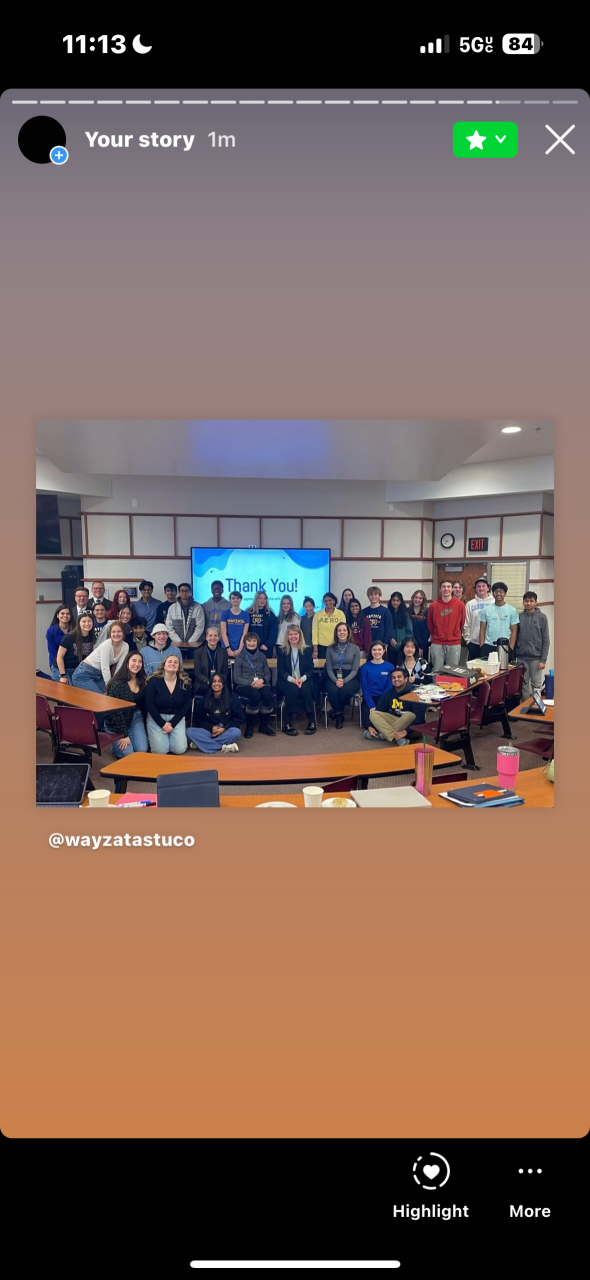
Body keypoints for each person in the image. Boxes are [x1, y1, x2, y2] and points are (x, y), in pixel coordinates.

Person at [145, 654, 192, 754]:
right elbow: (149, 704)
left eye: (176, 662)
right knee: (160, 751)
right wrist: (162, 724)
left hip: (177, 717)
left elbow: (187, 704)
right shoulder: (153, 681)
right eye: (170, 661)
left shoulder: (185, 683)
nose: (173, 664)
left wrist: (172, 723)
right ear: (164, 666)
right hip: (156, 717)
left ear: (178, 667)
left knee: (179, 750)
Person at [104, 652, 149, 759]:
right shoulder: (117, 684)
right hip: (117, 721)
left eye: (140, 662)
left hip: (136, 717)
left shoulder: (142, 681)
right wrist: (124, 735)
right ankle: (115, 746)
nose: (137, 664)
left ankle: (129, 736)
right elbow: (115, 713)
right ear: (127, 663)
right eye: (134, 661)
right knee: (128, 754)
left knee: (142, 750)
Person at [186, 673, 243, 754]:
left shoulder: (233, 699)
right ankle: (223, 746)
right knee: (189, 731)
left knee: (236, 732)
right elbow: (198, 720)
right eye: (214, 681)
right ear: (210, 684)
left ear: (223, 684)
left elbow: (238, 719)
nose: (216, 683)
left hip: (225, 731)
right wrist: (211, 727)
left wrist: (224, 728)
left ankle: (203, 743)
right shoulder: (204, 700)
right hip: (209, 732)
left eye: (219, 681)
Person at [232, 631, 276, 737]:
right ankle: (250, 726)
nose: (251, 643)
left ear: (257, 642)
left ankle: (263, 725)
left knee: (268, 695)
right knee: (255, 695)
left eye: (254, 641)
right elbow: (236, 678)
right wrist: (251, 683)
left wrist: (263, 680)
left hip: (261, 683)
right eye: (249, 641)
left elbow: (268, 674)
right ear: (245, 642)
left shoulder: (262, 656)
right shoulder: (240, 657)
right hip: (244, 685)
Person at [277, 626, 316, 736]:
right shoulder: (282, 650)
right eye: (290, 634)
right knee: (293, 690)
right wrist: (293, 680)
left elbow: (310, 669)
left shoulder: (307, 650)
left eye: (296, 634)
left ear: (300, 635)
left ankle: (312, 722)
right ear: (287, 636)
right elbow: (281, 670)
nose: (293, 637)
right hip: (287, 680)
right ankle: (287, 723)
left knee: (305, 690)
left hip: (304, 679)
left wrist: (301, 679)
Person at [71, 620, 128, 695]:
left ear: (123, 632)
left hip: (98, 675)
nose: (116, 634)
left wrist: (115, 684)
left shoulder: (125, 646)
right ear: (110, 633)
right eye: (113, 632)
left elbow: (119, 667)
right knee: (102, 697)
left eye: (119, 631)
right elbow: (105, 668)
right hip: (83, 674)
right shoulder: (107, 644)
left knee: (110, 695)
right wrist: (110, 687)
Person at [367, 668, 417, 746]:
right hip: (394, 720)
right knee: (373, 714)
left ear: (406, 679)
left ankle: (383, 735)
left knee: (410, 715)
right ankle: (395, 737)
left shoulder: (415, 693)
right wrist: (370, 726)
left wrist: (406, 731)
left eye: (399, 677)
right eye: (393, 677)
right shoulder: (388, 694)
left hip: (410, 723)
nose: (396, 679)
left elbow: (420, 717)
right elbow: (379, 710)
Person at [325, 623, 361, 728]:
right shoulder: (330, 648)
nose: (342, 632)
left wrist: (344, 681)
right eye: (339, 630)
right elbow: (329, 669)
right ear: (336, 633)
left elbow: (355, 669)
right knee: (333, 691)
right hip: (333, 676)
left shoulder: (355, 648)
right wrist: (336, 680)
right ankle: (339, 715)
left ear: (348, 632)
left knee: (345, 691)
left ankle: (336, 711)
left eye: (344, 630)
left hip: (350, 676)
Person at [515, 592, 550, 700]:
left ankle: (536, 705)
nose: (528, 603)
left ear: (536, 602)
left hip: (536, 658)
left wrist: (543, 660)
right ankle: (524, 705)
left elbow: (546, 640)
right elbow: (515, 636)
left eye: (531, 601)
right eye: (526, 601)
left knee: (536, 684)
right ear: (523, 602)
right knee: (522, 684)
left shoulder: (542, 617)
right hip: (521, 657)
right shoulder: (519, 616)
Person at [427, 580, 466, 672]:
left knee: (453, 670)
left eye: (448, 586)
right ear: (440, 589)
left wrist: (455, 633)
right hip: (437, 643)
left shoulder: (460, 605)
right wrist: (437, 634)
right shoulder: (433, 605)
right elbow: (430, 624)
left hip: (454, 643)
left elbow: (462, 622)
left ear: (452, 589)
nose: (446, 589)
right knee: (437, 670)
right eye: (443, 586)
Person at [359, 639, 394, 734]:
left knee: (386, 718)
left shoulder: (390, 667)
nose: (377, 652)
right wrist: (371, 705)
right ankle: (370, 729)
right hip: (369, 698)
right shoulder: (365, 667)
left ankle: (381, 732)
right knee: (367, 719)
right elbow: (364, 687)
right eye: (374, 650)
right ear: (370, 651)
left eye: (379, 649)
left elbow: (390, 686)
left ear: (384, 651)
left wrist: (380, 704)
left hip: (384, 699)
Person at [398, 635, 433, 726]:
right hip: (404, 693)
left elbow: (430, 681)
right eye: (407, 647)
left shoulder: (422, 662)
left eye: (412, 647)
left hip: (421, 694)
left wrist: (415, 681)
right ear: (403, 648)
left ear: (416, 649)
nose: (410, 649)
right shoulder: (399, 664)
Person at [478, 582, 519, 658]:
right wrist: (482, 646)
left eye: (501, 591)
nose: (498, 594)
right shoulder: (486, 610)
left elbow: (514, 631)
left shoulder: (512, 610)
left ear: (505, 594)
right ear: (493, 594)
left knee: (504, 666)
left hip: (505, 645)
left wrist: (511, 648)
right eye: (496, 591)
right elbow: (482, 629)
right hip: (488, 645)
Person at [55, 612, 95, 684]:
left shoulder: (93, 637)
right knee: (68, 689)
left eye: (89, 621)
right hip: (63, 668)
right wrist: (63, 675)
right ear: (79, 624)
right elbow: (59, 657)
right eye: (84, 621)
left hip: (78, 669)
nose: (87, 624)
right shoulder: (69, 637)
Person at [462, 577, 494, 661]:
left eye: (483, 586)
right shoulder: (470, 604)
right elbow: (466, 623)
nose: (481, 588)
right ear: (475, 589)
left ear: (488, 588)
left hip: (490, 642)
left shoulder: (494, 603)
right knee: (475, 667)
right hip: (474, 642)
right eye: (478, 586)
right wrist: (468, 641)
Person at [166, 583, 206, 648]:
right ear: (179, 592)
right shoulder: (172, 608)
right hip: (177, 644)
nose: (184, 593)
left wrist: (190, 642)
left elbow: (200, 627)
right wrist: (179, 642)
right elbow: (169, 627)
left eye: (186, 590)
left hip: (194, 644)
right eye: (182, 591)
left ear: (190, 592)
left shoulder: (197, 607)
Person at [192, 626, 229, 695]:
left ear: (218, 638)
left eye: (215, 635)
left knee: (225, 690)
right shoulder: (198, 652)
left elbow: (225, 672)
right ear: (206, 637)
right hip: (203, 683)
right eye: (210, 635)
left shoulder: (223, 652)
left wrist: (218, 682)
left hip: (219, 683)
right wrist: (209, 682)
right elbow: (197, 673)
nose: (213, 638)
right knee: (209, 689)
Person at [311, 592, 346, 660]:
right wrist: (315, 650)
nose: (328, 602)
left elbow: (343, 631)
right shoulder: (318, 614)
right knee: (322, 665)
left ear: (334, 601)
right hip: (321, 646)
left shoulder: (340, 614)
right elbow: (315, 631)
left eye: (330, 600)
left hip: (336, 645)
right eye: (326, 601)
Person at [361, 586, 394, 651]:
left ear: (379, 595)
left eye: (375, 594)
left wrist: (385, 644)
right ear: (368, 596)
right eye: (371, 594)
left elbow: (389, 630)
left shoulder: (386, 612)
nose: (373, 596)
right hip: (367, 646)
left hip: (381, 645)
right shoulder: (363, 612)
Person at [247, 589, 278, 659]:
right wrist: (248, 644)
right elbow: (245, 631)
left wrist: (267, 644)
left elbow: (273, 632)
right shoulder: (248, 612)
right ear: (256, 599)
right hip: (250, 647)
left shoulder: (270, 614)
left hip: (265, 648)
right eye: (260, 598)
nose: (262, 600)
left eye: (264, 598)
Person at [46, 605, 73, 680]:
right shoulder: (51, 631)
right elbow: (52, 651)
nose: (65, 615)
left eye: (68, 614)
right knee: (66, 685)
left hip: (72, 664)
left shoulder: (75, 629)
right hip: (56, 664)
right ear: (57, 615)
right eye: (62, 613)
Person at [386, 591, 414, 665]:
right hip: (390, 648)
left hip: (403, 648)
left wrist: (401, 644)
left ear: (401, 602)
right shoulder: (387, 613)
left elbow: (409, 633)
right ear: (390, 601)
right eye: (393, 600)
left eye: (398, 600)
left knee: (402, 668)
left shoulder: (405, 615)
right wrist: (390, 639)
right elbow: (385, 630)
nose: (395, 602)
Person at [220, 591, 250, 657]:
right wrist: (228, 649)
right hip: (226, 647)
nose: (235, 600)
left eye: (237, 598)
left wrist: (240, 649)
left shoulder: (245, 614)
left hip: (240, 647)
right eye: (233, 598)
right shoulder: (225, 613)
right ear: (230, 600)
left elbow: (244, 634)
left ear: (241, 600)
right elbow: (223, 633)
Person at [408, 590, 431, 658]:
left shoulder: (427, 612)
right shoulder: (407, 611)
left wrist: (421, 646)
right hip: (409, 644)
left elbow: (427, 630)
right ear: (413, 598)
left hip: (422, 645)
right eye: (416, 597)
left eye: (420, 598)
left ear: (423, 600)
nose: (417, 600)